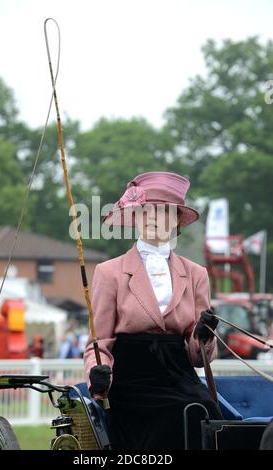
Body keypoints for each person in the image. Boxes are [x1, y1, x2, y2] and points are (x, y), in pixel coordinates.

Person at [84, 171, 222, 450]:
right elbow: (99, 344)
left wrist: (204, 335)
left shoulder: (196, 274)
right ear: (135, 217)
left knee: (204, 412)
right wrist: (97, 375)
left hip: (179, 375)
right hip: (131, 380)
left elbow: (198, 358)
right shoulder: (108, 273)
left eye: (162, 212)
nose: (152, 218)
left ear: (176, 221)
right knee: (172, 415)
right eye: (145, 210)